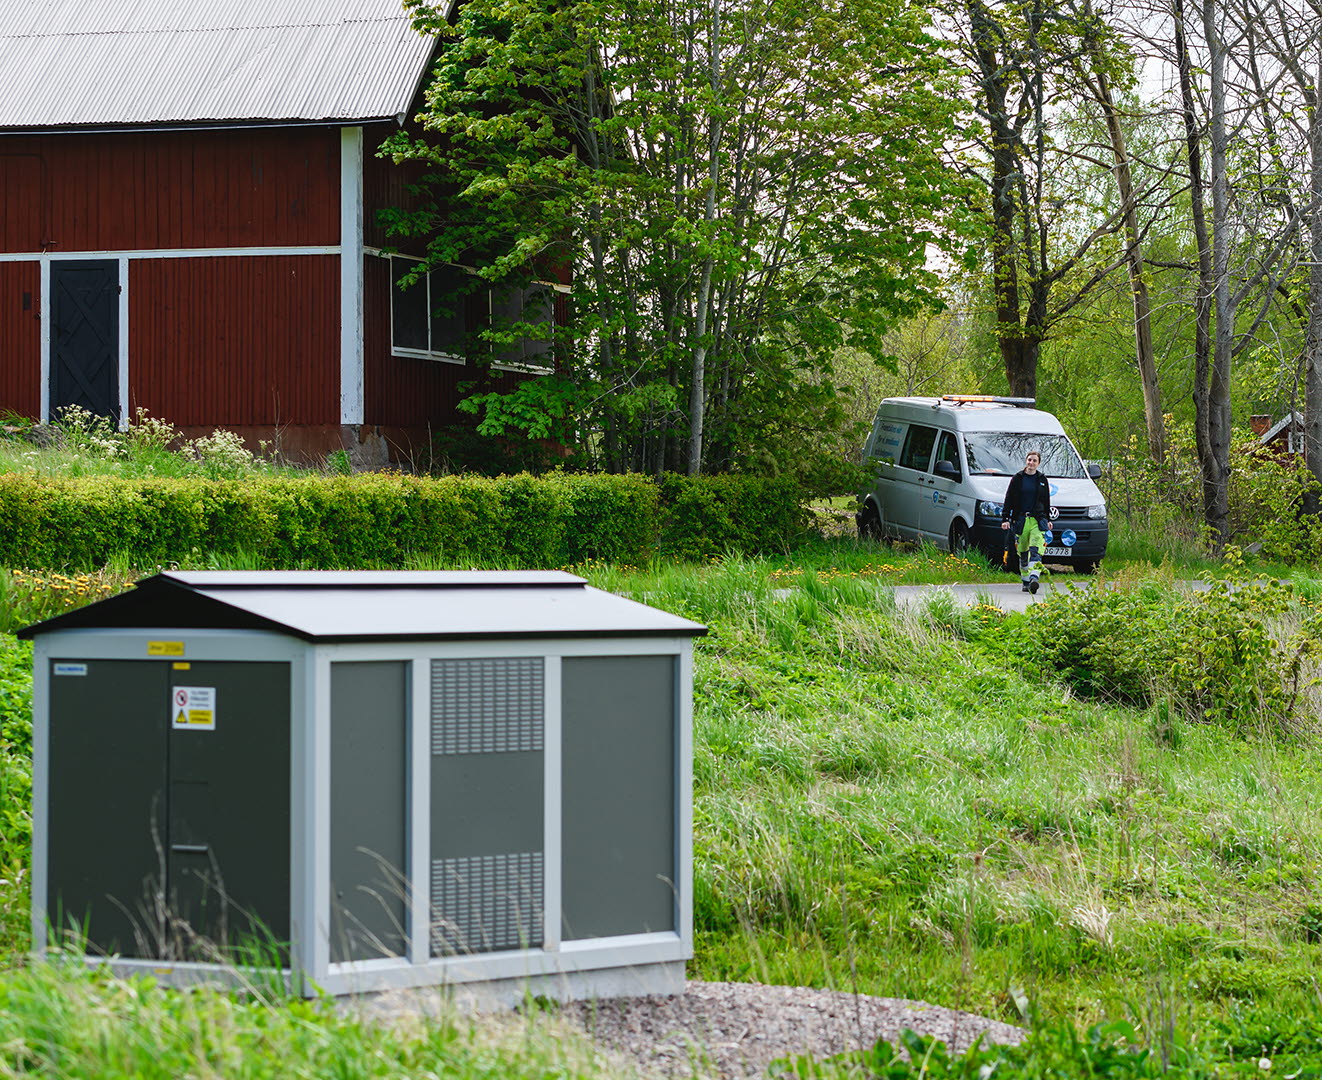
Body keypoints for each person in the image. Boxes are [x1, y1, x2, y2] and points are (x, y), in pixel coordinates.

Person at [1000, 450, 1051, 594]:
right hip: (1021, 520)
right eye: (1029, 460)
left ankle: (1034, 577)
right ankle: (1025, 580)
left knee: (1035, 549)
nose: (1031, 463)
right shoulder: (1017, 478)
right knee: (1023, 553)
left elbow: (1046, 501)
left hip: (1037, 519)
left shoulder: (1042, 480)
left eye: (1034, 461)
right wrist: (1005, 519)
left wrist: (1048, 519)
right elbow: (1008, 499)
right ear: (1026, 461)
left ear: (1038, 463)